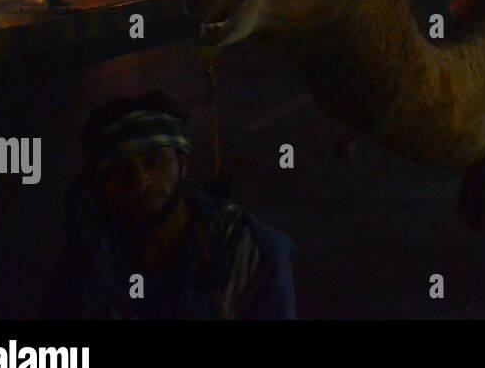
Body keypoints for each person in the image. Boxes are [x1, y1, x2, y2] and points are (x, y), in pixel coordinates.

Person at [42, 92, 296, 320]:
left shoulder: (245, 250)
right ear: (99, 185)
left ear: (182, 163)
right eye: (119, 169)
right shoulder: (85, 263)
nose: (141, 182)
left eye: (156, 160)